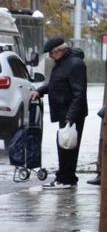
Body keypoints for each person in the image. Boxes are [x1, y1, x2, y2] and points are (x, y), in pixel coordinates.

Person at [31, 36, 88, 189]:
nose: (50, 56)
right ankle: (65, 177)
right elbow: (56, 82)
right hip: (65, 112)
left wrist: (71, 116)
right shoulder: (63, 63)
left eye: (51, 53)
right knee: (65, 145)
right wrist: (40, 91)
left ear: (60, 51)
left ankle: (65, 179)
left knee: (68, 147)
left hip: (71, 113)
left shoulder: (75, 64)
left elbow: (79, 93)